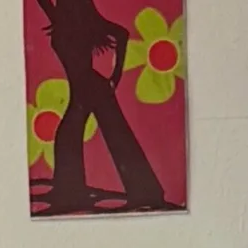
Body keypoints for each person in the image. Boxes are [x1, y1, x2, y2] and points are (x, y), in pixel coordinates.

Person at [35, 0, 164, 211]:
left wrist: (115, 78)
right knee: (74, 134)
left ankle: (146, 193)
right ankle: (70, 191)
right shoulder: (61, 19)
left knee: (109, 135)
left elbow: (122, 34)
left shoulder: (82, 22)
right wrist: (113, 79)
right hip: (85, 88)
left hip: (93, 87)